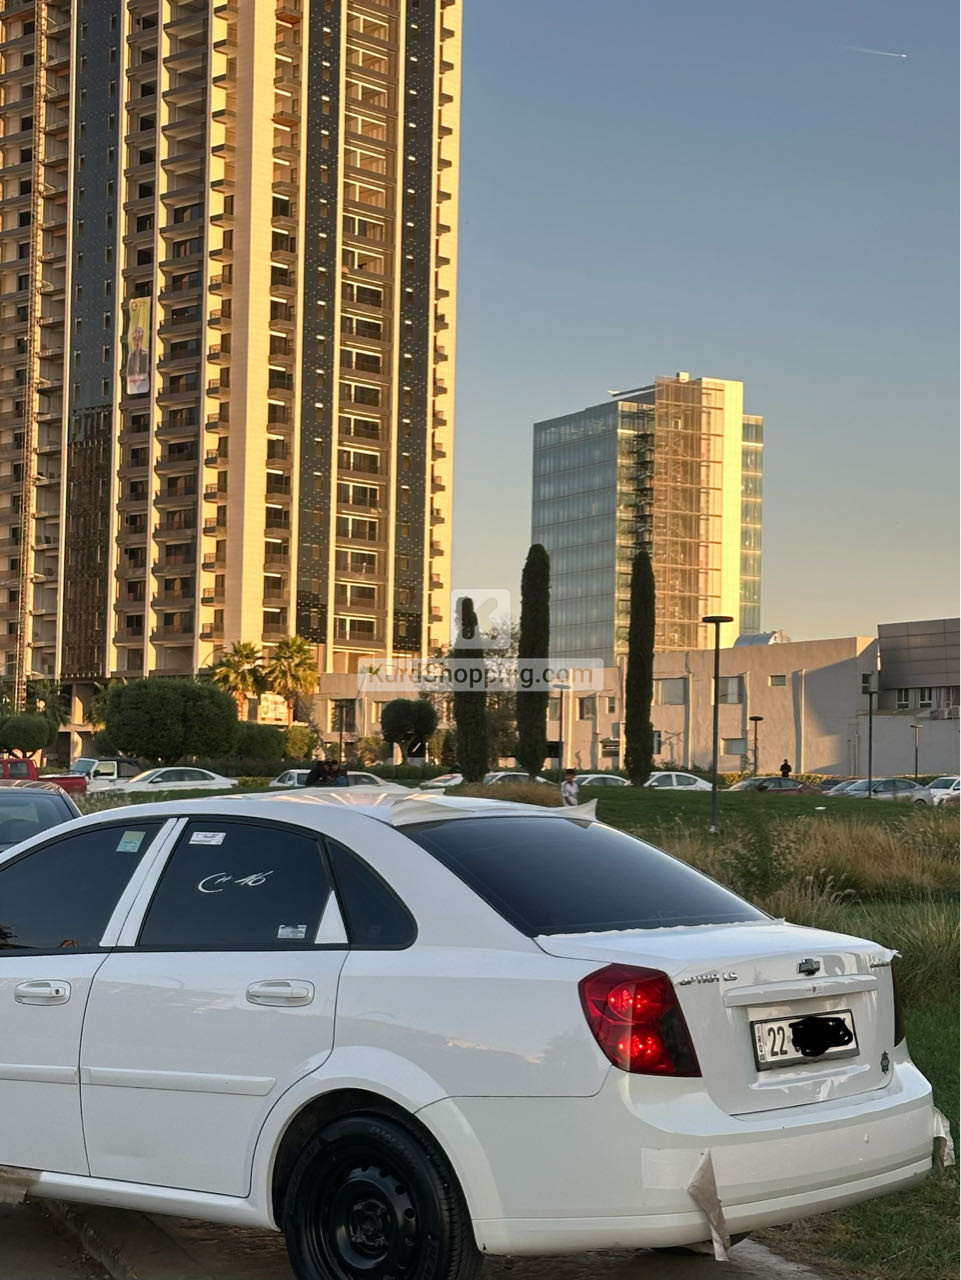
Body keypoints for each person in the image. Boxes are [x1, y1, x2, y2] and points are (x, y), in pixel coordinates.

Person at [125, 326, 150, 395]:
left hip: (145, 388)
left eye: (139, 338)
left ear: (142, 339)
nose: (137, 342)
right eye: (135, 339)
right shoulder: (130, 357)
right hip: (134, 389)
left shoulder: (147, 354)